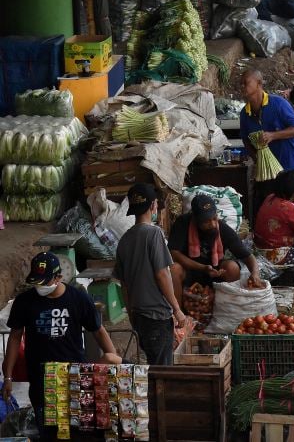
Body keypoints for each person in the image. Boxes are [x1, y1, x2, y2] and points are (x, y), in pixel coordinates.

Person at [3, 253, 122, 438]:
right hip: (40, 380)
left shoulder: (78, 299)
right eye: (36, 282)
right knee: (48, 431)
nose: (40, 287)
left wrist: (113, 361)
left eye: (44, 282)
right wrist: (8, 376)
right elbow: (15, 337)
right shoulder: (24, 301)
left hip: (73, 378)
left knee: (78, 429)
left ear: (58, 277)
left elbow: (98, 331)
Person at [113, 183, 189, 365]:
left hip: (139, 316)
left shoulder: (124, 240)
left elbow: (124, 285)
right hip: (157, 316)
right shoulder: (154, 234)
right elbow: (162, 274)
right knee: (162, 371)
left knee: (152, 366)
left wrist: (131, 313)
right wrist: (177, 310)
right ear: (153, 206)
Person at [169, 195, 263, 306]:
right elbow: (174, 253)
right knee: (174, 269)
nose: (213, 224)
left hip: (215, 273)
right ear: (195, 219)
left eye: (214, 218)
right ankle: (179, 315)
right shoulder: (183, 223)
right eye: (206, 221)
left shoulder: (221, 228)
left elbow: (247, 255)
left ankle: (227, 308)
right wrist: (202, 268)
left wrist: (255, 274)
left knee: (232, 267)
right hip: (190, 271)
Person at [239, 70, 294, 217]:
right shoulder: (245, 114)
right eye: (241, 83)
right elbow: (245, 139)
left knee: (290, 208)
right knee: (271, 208)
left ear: (259, 84)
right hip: (269, 171)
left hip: (291, 165)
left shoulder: (278, 104)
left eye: (246, 83)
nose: (242, 86)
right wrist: (257, 159)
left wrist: (273, 135)